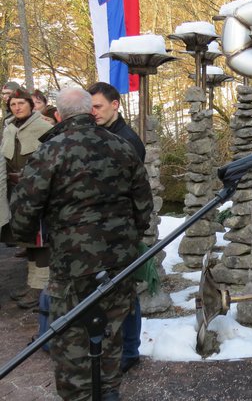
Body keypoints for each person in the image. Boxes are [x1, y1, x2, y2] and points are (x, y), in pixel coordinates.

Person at [10, 87, 153, 401]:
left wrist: (27, 236)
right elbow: (144, 206)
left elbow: (24, 212)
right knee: (111, 339)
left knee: (74, 348)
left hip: (73, 269)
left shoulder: (50, 151)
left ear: (59, 115)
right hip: (118, 264)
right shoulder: (122, 146)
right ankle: (109, 393)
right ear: (90, 111)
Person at [88, 81, 145, 374]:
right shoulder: (98, 135)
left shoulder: (127, 140)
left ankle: (130, 350)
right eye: (90, 106)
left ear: (115, 105)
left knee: (125, 293)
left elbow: (136, 193)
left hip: (120, 232)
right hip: (101, 232)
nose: (93, 111)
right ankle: (117, 347)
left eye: (98, 106)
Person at [0, 88, 53, 309]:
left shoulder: (45, 128)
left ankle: (40, 289)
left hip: (37, 193)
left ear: (31, 105)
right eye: (13, 104)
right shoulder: (10, 129)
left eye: (21, 103)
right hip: (15, 193)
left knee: (41, 241)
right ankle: (32, 284)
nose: (17, 107)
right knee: (27, 239)